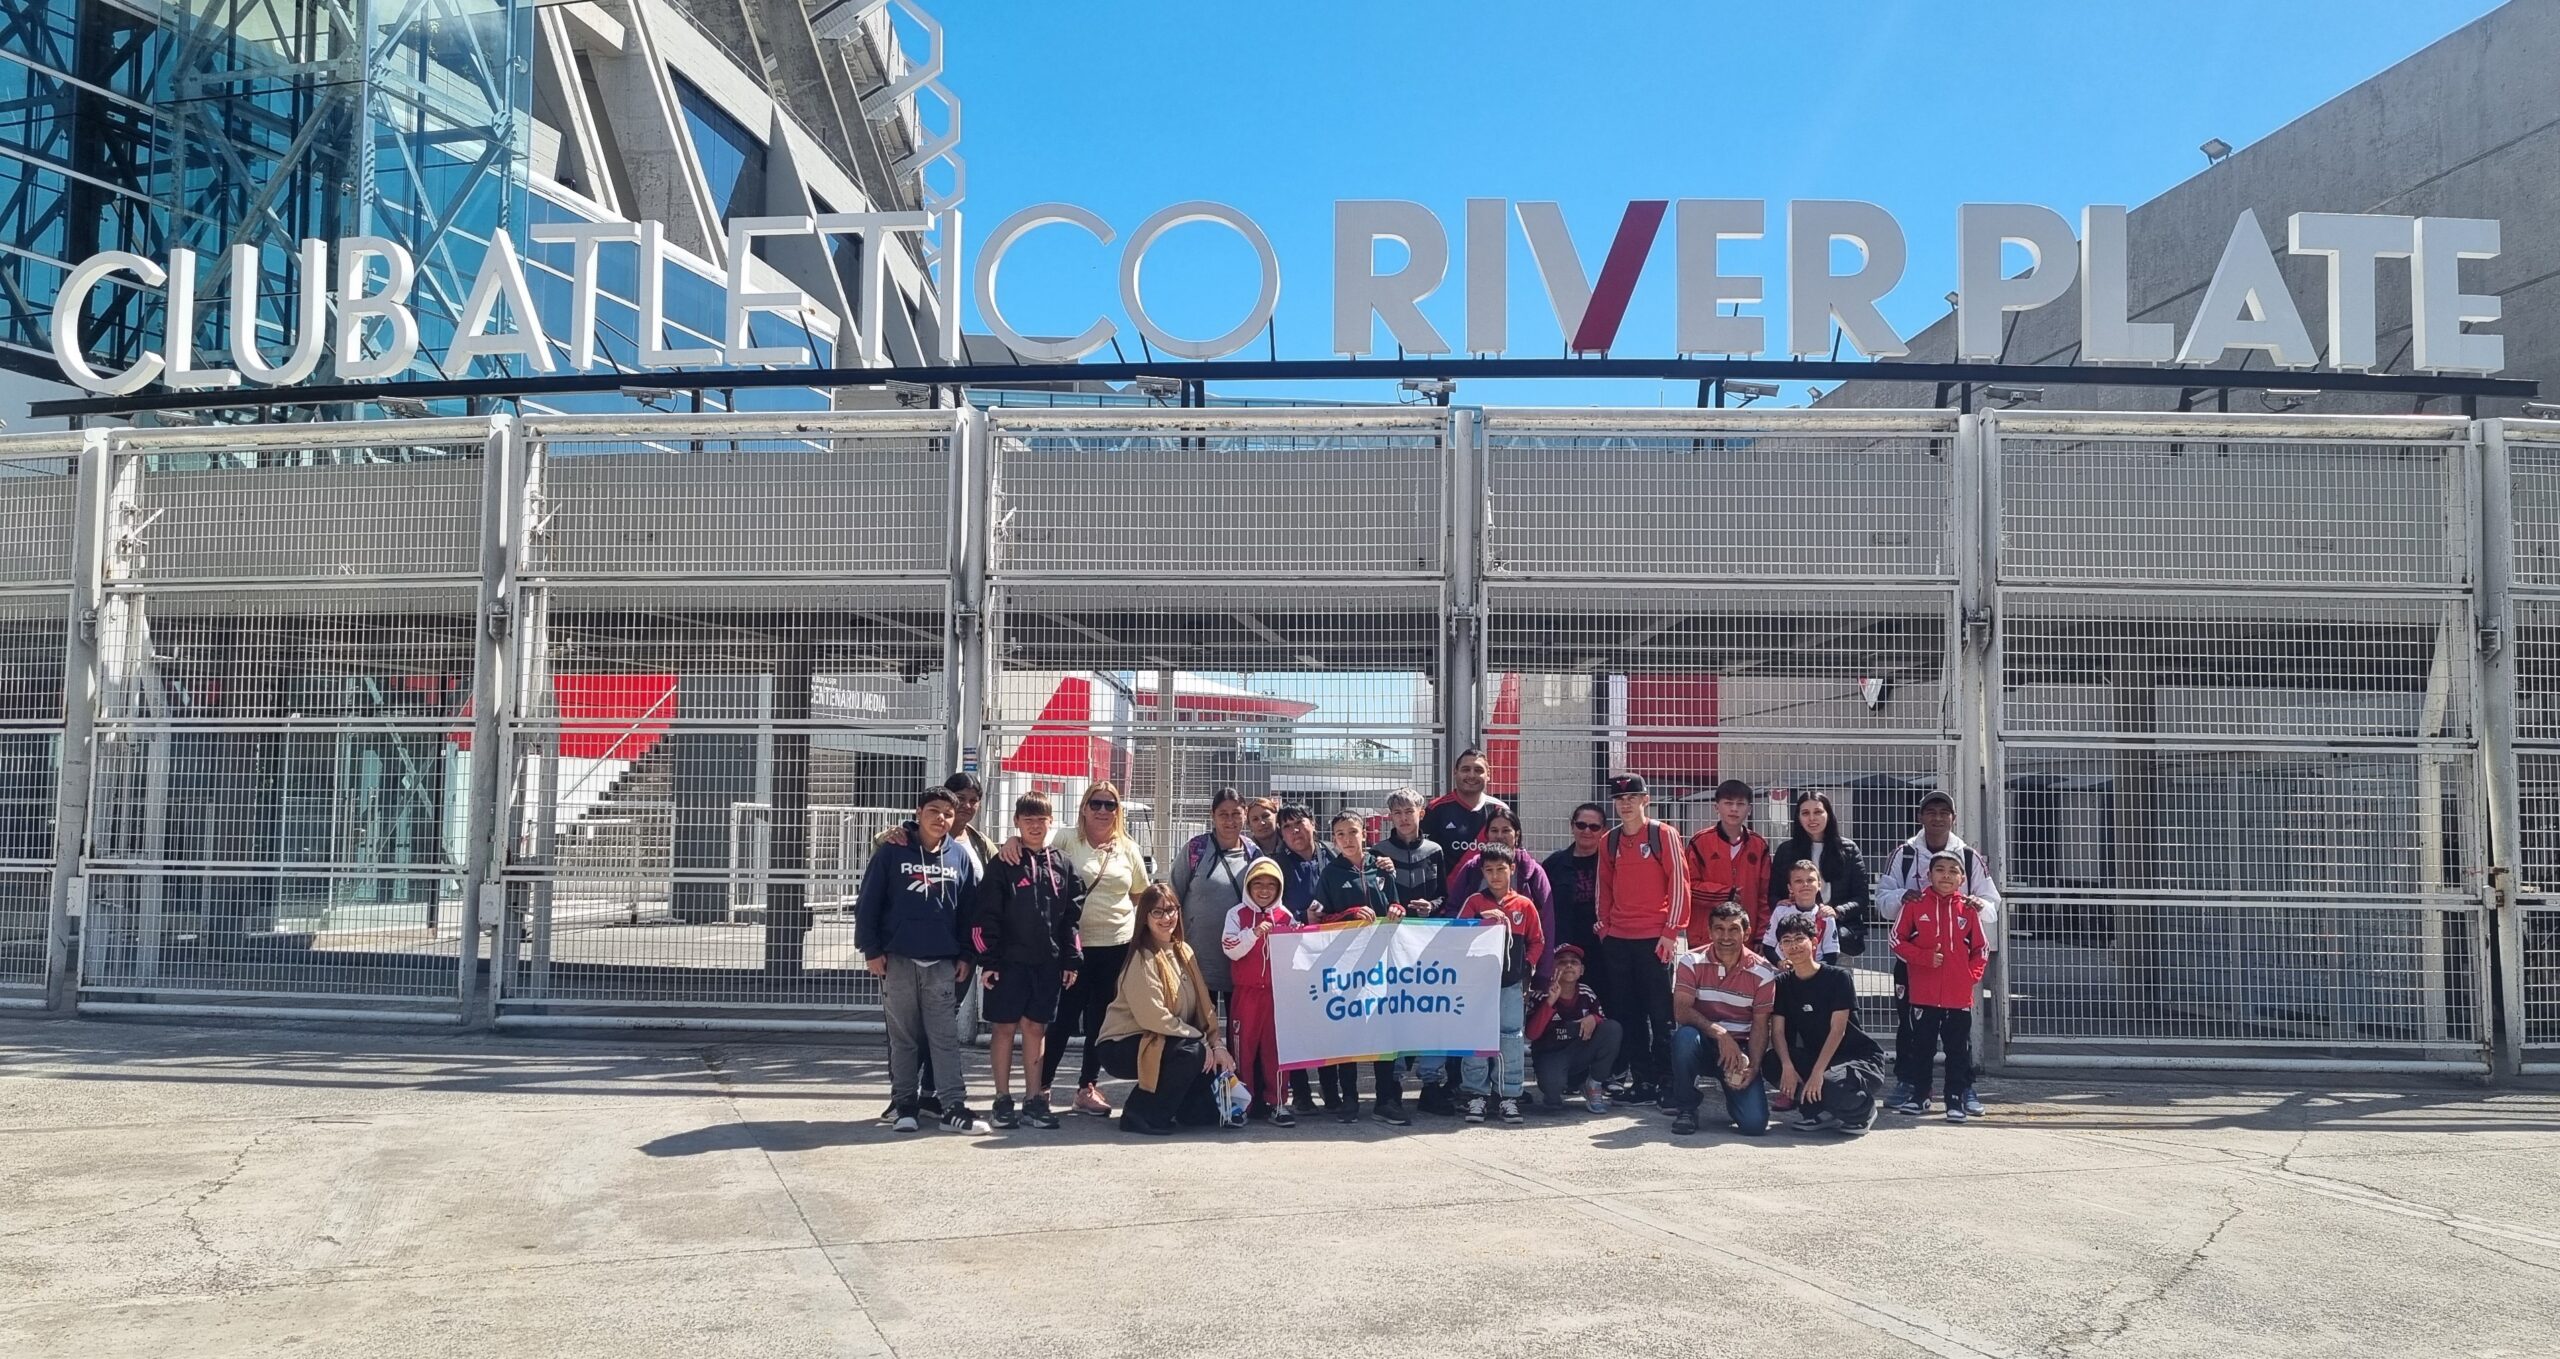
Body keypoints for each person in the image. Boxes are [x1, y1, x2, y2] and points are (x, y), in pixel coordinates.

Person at [854, 786, 983, 1134]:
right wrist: (871, 950)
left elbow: (970, 912)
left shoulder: (959, 857)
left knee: (943, 1038)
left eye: (948, 813)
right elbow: (868, 903)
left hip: (941, 964)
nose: (941, 818)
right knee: (903, 1038)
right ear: (918, 812)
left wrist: (967, 955)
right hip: (896, 960)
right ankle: (905, 1105)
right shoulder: (892, 852)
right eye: (934, 811)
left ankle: (953, 1106)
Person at [1872, 789, 2002, 1116]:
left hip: (1956, 965)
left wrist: (1977, 906)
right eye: (1931, 811)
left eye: (1944, 812)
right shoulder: (1903, 854)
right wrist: (1905, 897)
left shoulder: (1969, 856)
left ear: (1953, 818)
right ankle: (1911, 1083)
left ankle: (1963, 1087)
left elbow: (1992, 905)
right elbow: (1883, 900)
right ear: (1921, 816)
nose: (1937, 817)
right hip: (1914, 962)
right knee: (1912, 1025)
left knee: (1960, 1033)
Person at [1034, 780, 1151, 1117]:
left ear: (1118, 811)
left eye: (1110, 805)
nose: (1103, 810)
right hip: (1074, 947)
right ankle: (1041, 1087)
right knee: (1063, 1018)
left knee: (1100, 1021)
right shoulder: (1067, 840)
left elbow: (1140, 894)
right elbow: (1039, 865)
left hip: (1116, 946)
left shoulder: (1128, 847)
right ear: (1084, 807)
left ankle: (1087, 1087)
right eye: (1096, 803)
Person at [971, 792, 1083, 1130]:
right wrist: (987, 961)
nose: (1035, 825)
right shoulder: (1003, 862)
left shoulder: (1062, 863)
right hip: (1007, 963)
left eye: (1041, 819)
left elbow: (1072, 919)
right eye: (1028, 819)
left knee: (1036, 1027)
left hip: (1046, 964)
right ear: (1017, 823)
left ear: (1051, 822)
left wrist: (1071, 960)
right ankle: (1002, 1099)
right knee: (1004, 1028)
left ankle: (1035, 1099)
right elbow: (984, 916)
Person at [1096, 884, 1235, 1135]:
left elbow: (1204, 1007)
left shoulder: (1184, 950)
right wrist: (1202, 1042)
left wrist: (1217, 1045)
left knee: (1205, 1110)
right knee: (1190, 1053)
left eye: (1171, 910)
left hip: (1170, 1038)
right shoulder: (1142, 956)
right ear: (1145, 917)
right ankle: (1140, 1113)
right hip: (1123, 1044)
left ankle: (1184, 1109)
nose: (1166, 918)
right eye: (1157, 912)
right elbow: (1154, 1017)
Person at [1311, 811, 1411, 1126]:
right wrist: (1349, 915)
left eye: (1352, 831)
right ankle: (1349, 1100)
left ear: (1363, 834)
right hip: (1345, 964)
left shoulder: (1382, 868)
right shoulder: (1330, 874)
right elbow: (1320, 920)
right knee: (1348, 1033)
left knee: (1382, 1031)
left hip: (1380, 963)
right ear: (1334, 840)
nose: (1347, 839)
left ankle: (1385, 1100)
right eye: (1339, 834)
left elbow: (1397, 908)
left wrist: (1398, 909)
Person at [1593, 773, 1686, 1106]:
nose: (1625, 803)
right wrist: (1604, 928)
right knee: (1628, 1015)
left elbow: (1679, 883)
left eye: (1632, 797)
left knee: (1661, 1014)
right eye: (1619, 799)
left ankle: (1669, 1081)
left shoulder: (1663, 835)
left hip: (1654, 940)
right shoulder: (1609, 840)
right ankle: (1643, 1080)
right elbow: (1603, 887)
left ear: (1645, 800)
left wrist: (1671, 931)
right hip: (1618, 940)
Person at [1891, 850, 1990, 1123]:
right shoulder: (1914, 905)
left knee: (1958, 1050)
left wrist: (1970, 976)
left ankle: (1955, 1099)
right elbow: (1896, 940)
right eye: (1940, 870)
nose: (1946, 875)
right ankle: (1920, 1095)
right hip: (1922, 994)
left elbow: (1981, 949)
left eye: (1952, 871)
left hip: (1958, 997)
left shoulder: (1968, 910)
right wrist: (1923, 958)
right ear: (1928, 874)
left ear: (1961, 879)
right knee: (1922, 1047)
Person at [1373, 786, 1455, 1114]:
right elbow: (1373, 897)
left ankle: (1431, 1083)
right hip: (1391, 947)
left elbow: (1445, 896)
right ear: (1390, 817)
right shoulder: (1377, 852)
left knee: (1431, 1012)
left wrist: (1430, 906)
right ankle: (1392, 1081)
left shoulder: (1435, 850)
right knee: (1393, 1013)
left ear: (1421, 813)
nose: (1404, 818)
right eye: (1398, 813)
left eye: (1410, 812)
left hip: (1427, 944)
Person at [1768, 916, 1888, 1135]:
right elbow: (1777, 1031)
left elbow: (1838, 1030)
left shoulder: (1838, 977)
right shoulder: (1782, 983)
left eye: (1799, 938)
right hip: (1819, 1057)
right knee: (1771, 1062)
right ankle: (1820, 1111)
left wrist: (1816, 1073)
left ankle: (1863, 1110)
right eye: (1786, 940)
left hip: (1858, 1058)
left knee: (1828, 1083)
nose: (1793, 945)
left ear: (1815, 942)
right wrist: (1787, 1066)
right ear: (1781, 947)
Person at [1666, 902, 1775, 1137]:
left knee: (1754, 1125)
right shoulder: (1690, 961)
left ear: (1746, 933)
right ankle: (1686, 1108)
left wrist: (1753, 1067)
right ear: (1709, 931)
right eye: (1719, 929)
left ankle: (1734, 1092)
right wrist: (1720, 1034)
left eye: (1733, 929)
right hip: (1703, 1043)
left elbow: (1760, 1026)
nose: (1726, 936)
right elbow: (1681, 1011)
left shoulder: (1764, 972)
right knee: (1683, 1037)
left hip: (1740, 1051)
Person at [1455, 845, 1544, 1125]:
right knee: (1477, 1038)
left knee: (1511, 1038)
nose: (1495, 876)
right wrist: (1480, 922)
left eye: (1501, 869)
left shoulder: (1524, 905)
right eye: (1489, 870)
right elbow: (1455, 937)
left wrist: (1526, 966)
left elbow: (1537, 941)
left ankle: (1509, 1096)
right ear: (1482, 872)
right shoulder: (1474, 902)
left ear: (1512, 869)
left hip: (1510, 985)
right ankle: (1476, 1095)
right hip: (1478, 986)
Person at [1218, 858, 1297, 1127]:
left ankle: (1278, 1103)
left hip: (1276, 997)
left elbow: (1297, 955)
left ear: (1279, 888)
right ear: (1248, 886)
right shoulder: (1236, 914)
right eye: (1258, 884)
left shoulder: (1286, 916)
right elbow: (1230, 948)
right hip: (1246, 995)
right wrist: (1252, 934)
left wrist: (1298, 932)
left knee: (1276, 1051)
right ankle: (1241, 1104)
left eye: (1271, 885)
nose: (1264, 891)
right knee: (1242, 1051)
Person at [1271, 803, 1332, 1114]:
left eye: (1299, 824)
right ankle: (1302, 1092)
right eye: (1286, 827)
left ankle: (1331, 1089)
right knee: (1296, 1023)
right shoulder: (1276, 865)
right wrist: (1301, 917)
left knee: (1329, 1021)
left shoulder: (1334, 855)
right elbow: (1270, 907)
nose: (1294, 831)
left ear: (1314, 824)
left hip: (1332, 954)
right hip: (1293, 955)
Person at [1177, 787, 1266, 1002]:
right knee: (1199, 1026)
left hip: (1240, 956)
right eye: (1223, 814)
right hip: (1197, 955)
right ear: (1212, 816)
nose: (1230, 820)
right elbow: (1173, 895)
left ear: (1245, 814)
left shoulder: (1253, 854)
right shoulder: (1196, 849)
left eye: (1236, 813)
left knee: (1239, 1028)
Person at [1445, 808, 1554, 975]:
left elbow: (1545, 925)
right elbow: (1453, 910)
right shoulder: (1472, 869)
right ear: (1487, 835)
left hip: (1516, 972)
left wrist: (1538, 971)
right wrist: (1477, 922)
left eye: (1506, 830)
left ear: (1517, 835)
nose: (1500, 836)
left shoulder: (1533, 873)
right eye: (1494, 830)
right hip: (1474, 967)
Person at [1527, 944, 1620, 1112]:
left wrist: (1594, 1018)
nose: (1569, 965)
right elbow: (1531, 1034)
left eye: (1574, 962)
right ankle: (1552, 1089)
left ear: (1582, 970)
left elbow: (1605, 1026)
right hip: (1551, 1054)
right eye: (1562, 962)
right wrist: (1550, 1003)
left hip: (1579, 1051)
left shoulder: (1586, 992)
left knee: (1613, 1029)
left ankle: (1593, 1084)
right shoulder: (1541, 994)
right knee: (1553, 1098)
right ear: (1552, 968)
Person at [1765, 790, 1870, 938]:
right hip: (1796, 931)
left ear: (1828, 814)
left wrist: (1838, 911)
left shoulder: (1848, 849)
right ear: (1798, 817)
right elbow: (1773, 894)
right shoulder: (1786, 851)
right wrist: (1780, 904)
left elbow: (1861, 897)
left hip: (1839, 932)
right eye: (1805, 813)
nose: (1812, 818)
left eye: (1818, 812)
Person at [1685, 779, 1773, 943]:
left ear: (1749, 809)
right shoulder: (1700, 842)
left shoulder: (1759, 846)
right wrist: (1726, 893)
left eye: (1740, 804)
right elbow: (1687, 887)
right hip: (1705, 935)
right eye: (1728, 803)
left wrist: (1761, 936)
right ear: (1716, 807)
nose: (1734, 809)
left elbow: (1764, 895)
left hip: (1746, 935)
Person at [1422, 748, 1511, 891]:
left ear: (1488, 775)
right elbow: (1423, 856)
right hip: (1447, 901)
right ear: (1455, 772)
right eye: (1465, 769)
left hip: (1490, 898)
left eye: (1478, 770)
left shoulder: (1499, 810)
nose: (1471, 775)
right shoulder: (1436, 809)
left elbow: (1513, 854)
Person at [1541, 802, 1607, 963]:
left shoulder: (1611, 863)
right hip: (1564, 948)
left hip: (1602, 948)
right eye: (1581, 825)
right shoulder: (1554, 863)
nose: (1586, 831)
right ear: (1572, 826)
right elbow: (1541, 905)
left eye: (1594, 827)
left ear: (1603, 831)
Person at [1766, 860, 1842, 961]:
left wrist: (1814, 972)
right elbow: (1768, 946)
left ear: (1819, 885)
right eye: (1798, 881)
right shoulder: (1780, 911)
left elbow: (1831, 954)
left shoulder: (1826, 916)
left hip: (1815, 971)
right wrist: (1780, 964)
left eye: (1810, 880)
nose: (1805, 884)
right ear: (1790, 888)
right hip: (1782, 971)